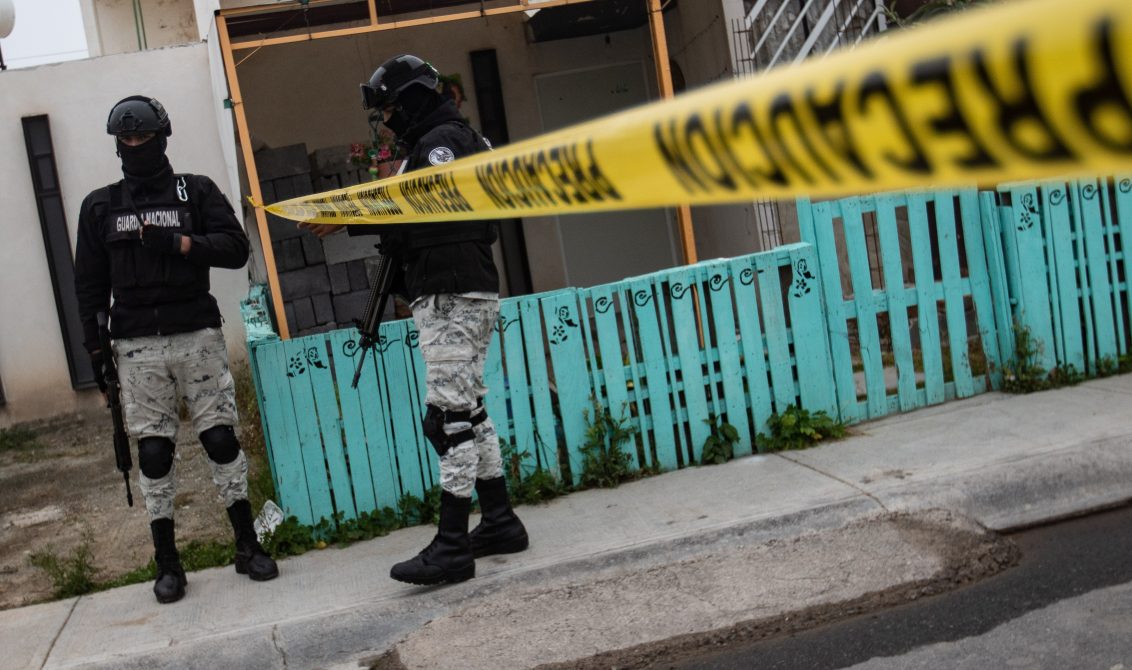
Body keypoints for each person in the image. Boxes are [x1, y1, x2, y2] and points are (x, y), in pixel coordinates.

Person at [301, 54, 529, 586]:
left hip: (449, 288)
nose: (386, 122)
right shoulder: (459, 139)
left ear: (409, 101)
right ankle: (499, 521)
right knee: (470, 411)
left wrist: (343, 214)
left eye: (388, 110)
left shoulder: (440, 144)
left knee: (445, 420)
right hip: (462, 284)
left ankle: (452, 545)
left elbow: (416, 203)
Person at [74, 96, 278, 604]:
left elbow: (236, 249)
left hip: (195, 333)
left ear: (163, 137)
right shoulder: (101, 206)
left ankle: (247, 545)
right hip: (136, 345)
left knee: (220, 441)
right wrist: (96, 356)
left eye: (144, 137)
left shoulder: (196, 190)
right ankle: (167, 562)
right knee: (154, 451)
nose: (136, 147)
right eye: (128, 140)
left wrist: (183, 244)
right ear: (118, 145)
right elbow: (89, 288)